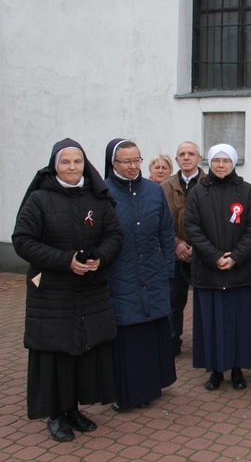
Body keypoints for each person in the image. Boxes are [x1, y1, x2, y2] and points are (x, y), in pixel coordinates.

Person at [12, 138, 123, 442]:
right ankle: (55, 414)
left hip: (89, 289)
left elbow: (114, 235)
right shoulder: (39, 200)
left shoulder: (98, 198)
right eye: (65, 162)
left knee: (83, 351)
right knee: (55, 354)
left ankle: (73, 409)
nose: (72, 167)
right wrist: (65, 261)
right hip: (52, 292)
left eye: (77, 161)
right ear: (54, 165)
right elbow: (22, 240)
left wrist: (100, 257)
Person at [104, 139, 177, 412]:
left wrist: (167, 270)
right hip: (120, 273)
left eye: (136, 160)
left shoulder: (153, 191)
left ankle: (150, 386)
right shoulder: (103, 193)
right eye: (126, 162)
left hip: (153, 272)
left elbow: (165, 233)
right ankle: (125, 392)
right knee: (128, 334)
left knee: (150, 332)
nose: (133, 166)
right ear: (113, 164)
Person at [184, 143, 251, 390]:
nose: (221, 165)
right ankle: (215, 371)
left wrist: (235, 257)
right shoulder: (197, 192)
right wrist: (215, 256)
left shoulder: (247, 191)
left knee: (239, 323)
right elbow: (192, 228)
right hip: (209, 270)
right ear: (208, 163)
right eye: (216, 160)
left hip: (239, 271)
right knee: (212, 322)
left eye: (225, 160)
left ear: (233, 163)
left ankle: (238, 370)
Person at [161, 141, 206, 356]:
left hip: (203, 255)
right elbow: (160, 222)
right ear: (177, 159)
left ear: (199, 158)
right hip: (175, 254)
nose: (186, 157)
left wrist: (198, 248)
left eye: (191, 154)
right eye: (181, 154)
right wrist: (176, 244)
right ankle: (171, 342)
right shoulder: (166, 186)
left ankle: (205, 343)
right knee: (173, 301)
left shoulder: (209, 183)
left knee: (205, 302)